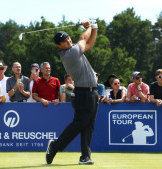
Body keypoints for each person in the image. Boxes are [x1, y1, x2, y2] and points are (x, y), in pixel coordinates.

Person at [46, 20, 98, 165]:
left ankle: (85, 157)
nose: (68, 39)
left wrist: (95, 27)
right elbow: (83, 39)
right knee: (79, 124)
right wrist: (89, 26)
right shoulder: (70, 54)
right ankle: (55, 146)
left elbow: (89, 44)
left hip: (92, 93)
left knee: (89, 125)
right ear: (59, 45)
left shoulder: (75, 50)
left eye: (68, 37)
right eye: (64, 40)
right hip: (83, 93)